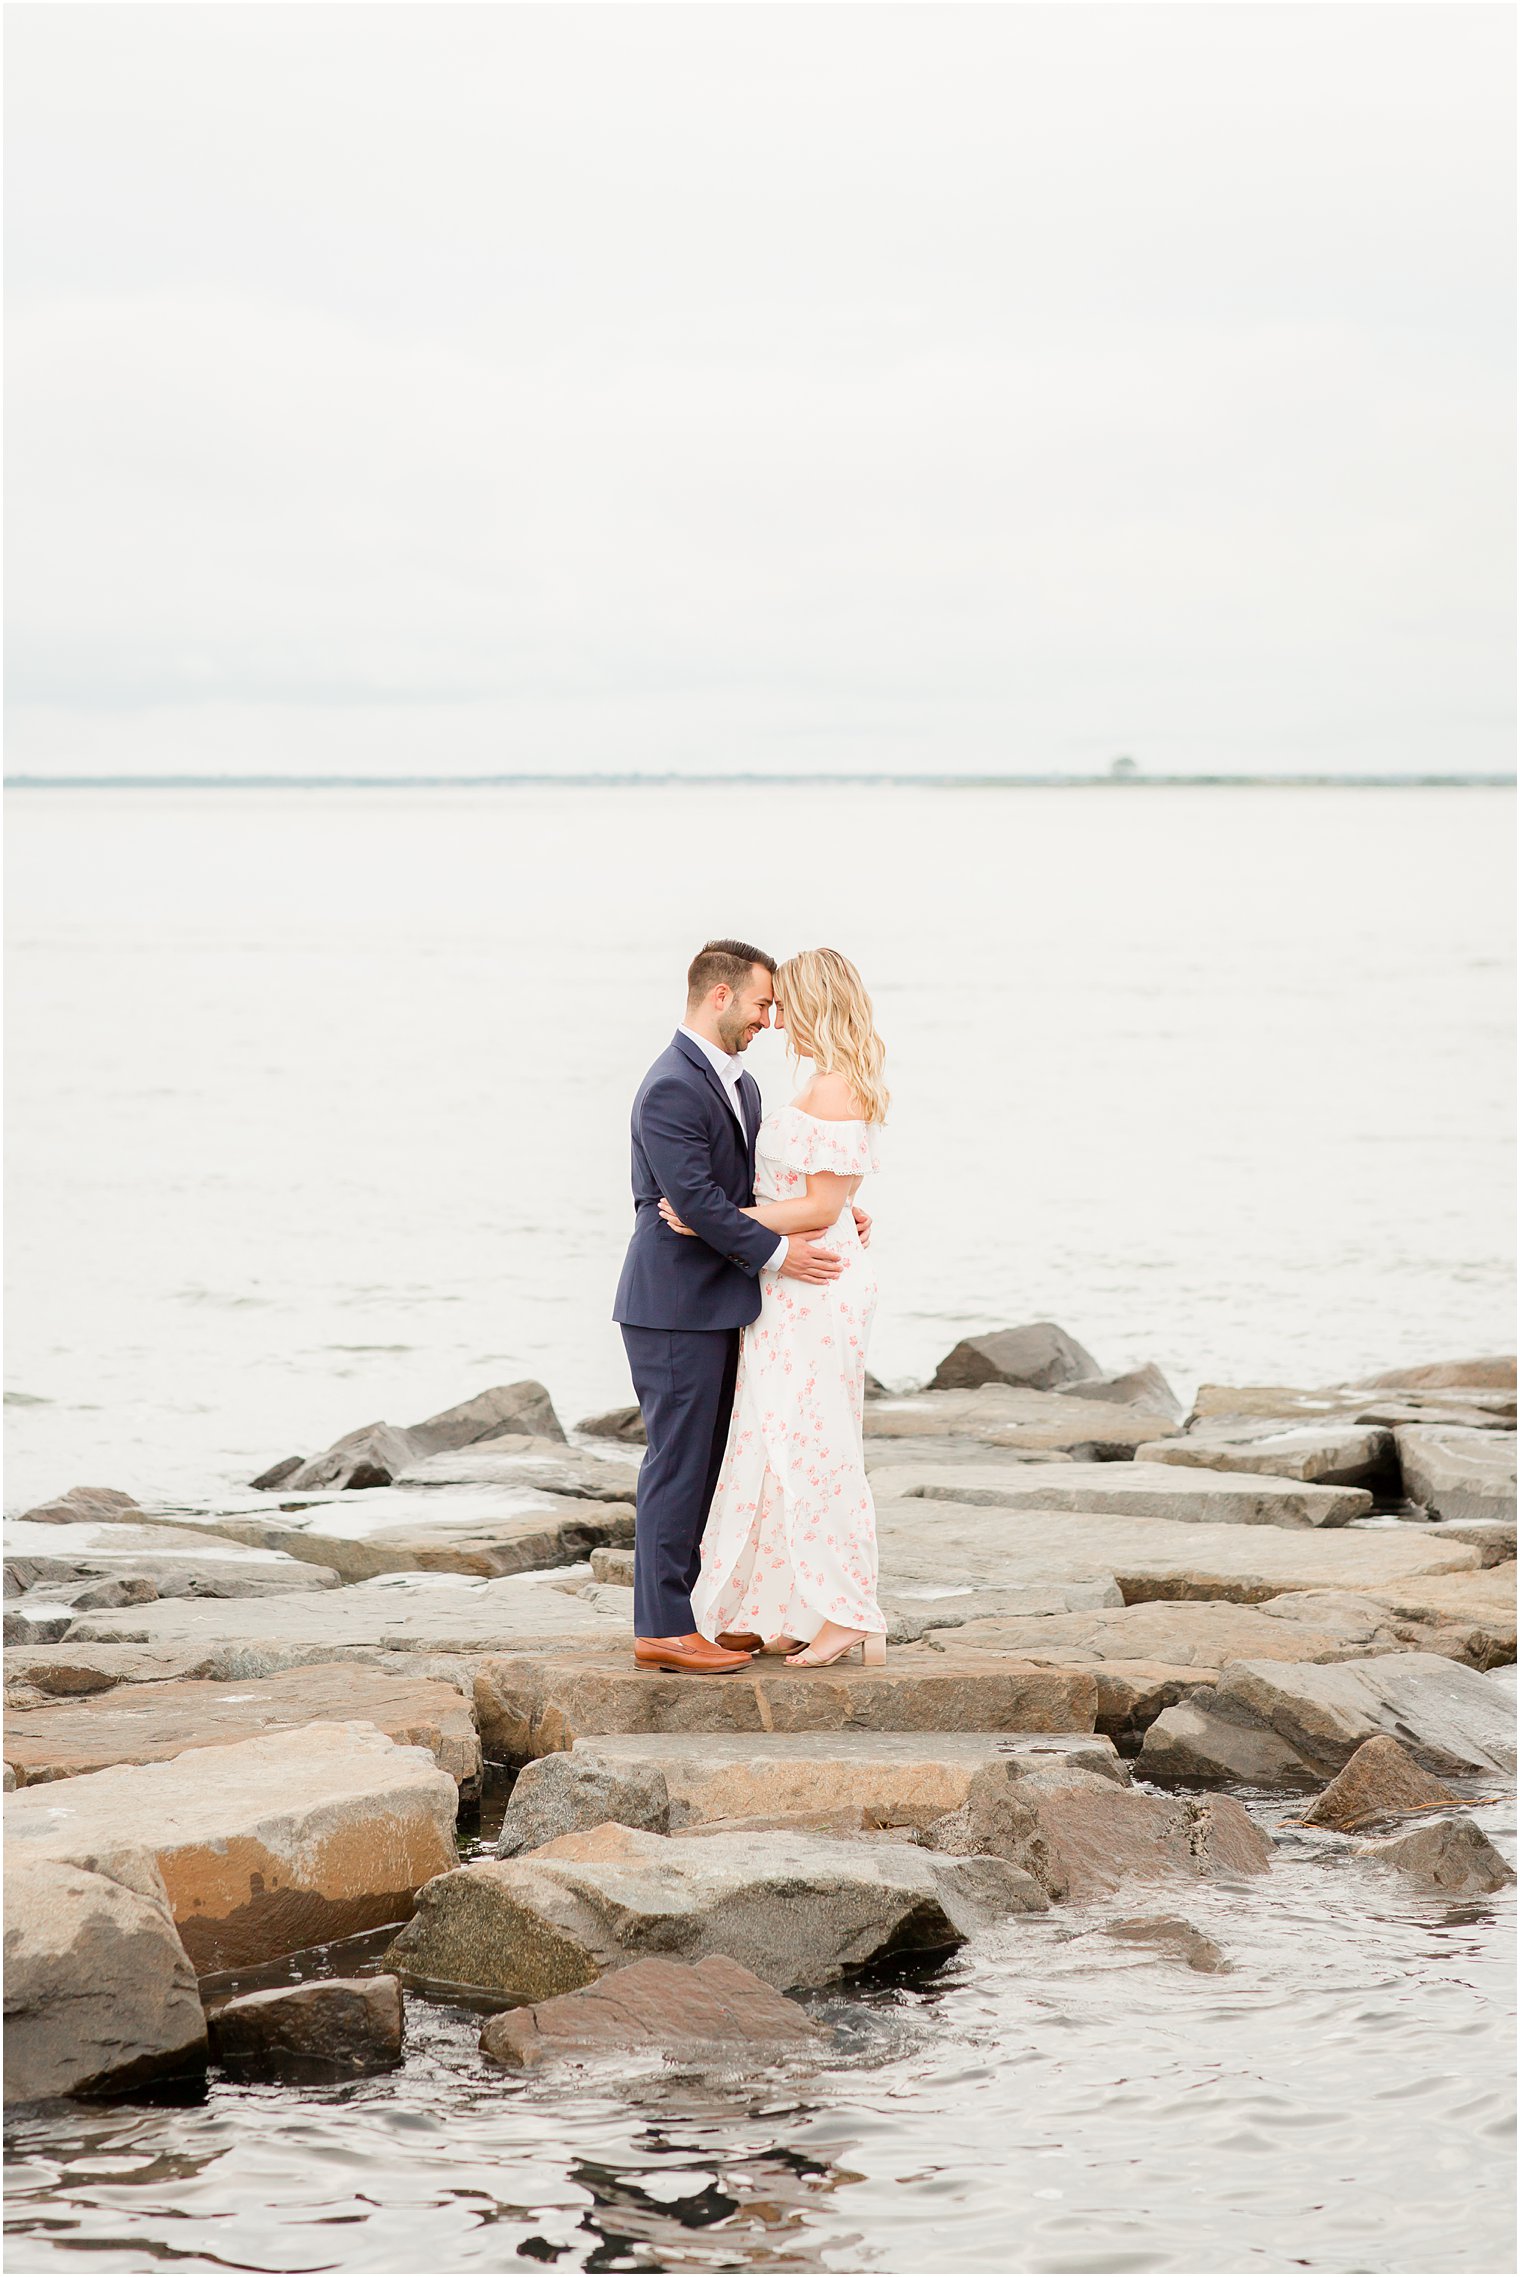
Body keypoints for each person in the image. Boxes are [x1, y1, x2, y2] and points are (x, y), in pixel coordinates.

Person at [612, 939, 870, 1675]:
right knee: (677, 1463)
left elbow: (763, 1196)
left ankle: (702, 1612)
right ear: (719, 996)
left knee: (715, 1464)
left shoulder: (744, 1088)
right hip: (673, 1303)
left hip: (731, 1302)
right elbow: (695, 1204)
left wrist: (842, 1213)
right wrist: (788, 1253)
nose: (770, 1018)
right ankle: (662, 1626)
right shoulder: (670, 1085)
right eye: (761, 1003)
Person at [674, 947, 890, 1669]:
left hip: (816, 1287)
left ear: (816, 1004)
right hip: (791, 1282)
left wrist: (716, 1217)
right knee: (771, 1441)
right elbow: (826, 1197)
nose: (774, 1017)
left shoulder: (836, 1089)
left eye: (784, 1004)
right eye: (767, 1005)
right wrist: (840, 1214)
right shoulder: (823, 1082)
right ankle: (785, 1605)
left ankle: (848, 1611)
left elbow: (820, 1202)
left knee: (816, 1444)